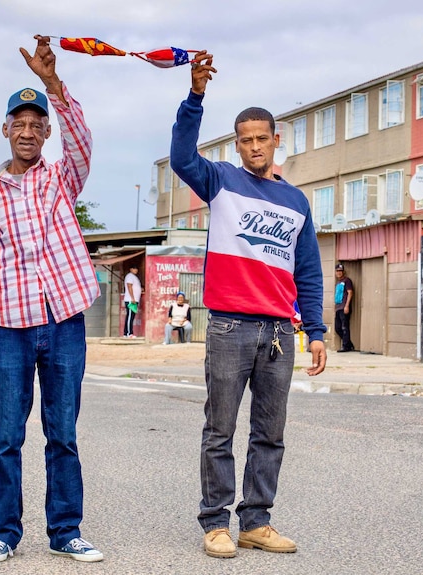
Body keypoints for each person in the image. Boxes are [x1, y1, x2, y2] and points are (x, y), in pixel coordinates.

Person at [170, 51, 328, 559]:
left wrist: (318, 330)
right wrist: (195, 96)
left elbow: (307, 270)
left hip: (281, 333)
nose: (255, 147)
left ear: (276, 141)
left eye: (262, 139)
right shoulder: (219, 181)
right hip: (229, 327)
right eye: (245, 140)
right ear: (236, 144)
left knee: (270, 433)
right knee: (220, 429)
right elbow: (180, 157)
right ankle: (215, 523)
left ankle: (257, 521)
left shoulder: (297, 202)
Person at [0, 35, 103, 564]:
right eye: (18, 124)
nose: (26, 131)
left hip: (63, 320)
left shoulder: (62, 178)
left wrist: (53, 86)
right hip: (6, 328)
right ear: (5, 130)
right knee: (7, 435)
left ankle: (66, 530)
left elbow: (83, 140)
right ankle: (4, 530)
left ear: (45, 131)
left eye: (36, 124)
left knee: (62, 431)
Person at [334, 263, 355, 352]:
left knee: (344, 327)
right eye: (337, 271)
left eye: (340, 271)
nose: (339, 272)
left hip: (344, 307)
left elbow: (350, 293)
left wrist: (347, 306)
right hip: (338, 307)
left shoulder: (347, 281)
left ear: (343, 272)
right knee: (337, 328)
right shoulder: (338, 282)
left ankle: (346, 346)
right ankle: (349, 344)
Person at [123, 265, 141, 337]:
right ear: (130, 269)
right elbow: (129, 286)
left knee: (131, 317)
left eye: (136, 268)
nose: (136, 270)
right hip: (130, 300)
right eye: (134, 268)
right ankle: (128, 333)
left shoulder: (134, 277)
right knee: (130, 317)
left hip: (134, 300)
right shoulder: (129, 276)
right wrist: (132, 298)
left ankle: (128, 333)